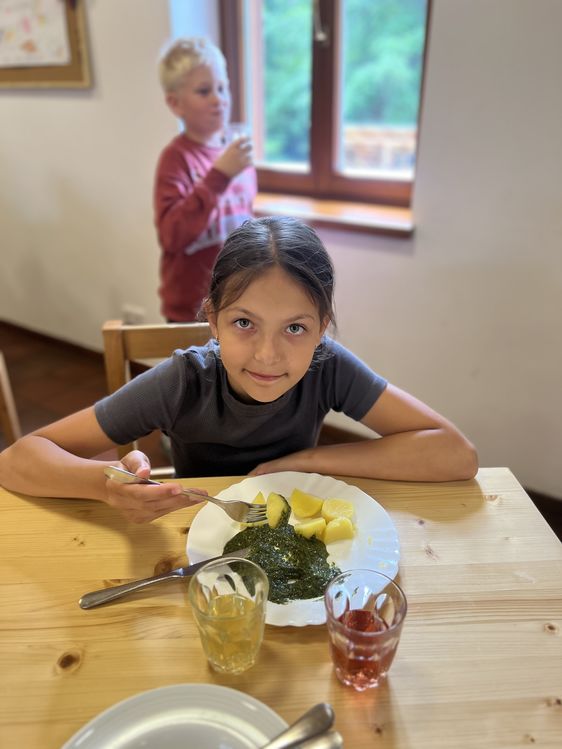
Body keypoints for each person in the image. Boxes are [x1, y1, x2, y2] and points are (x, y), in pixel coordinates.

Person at [0, 217, 478, 524]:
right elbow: (17, 460)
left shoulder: (327, 367)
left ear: (321, 330)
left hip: (289, 525)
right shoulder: (182, 382)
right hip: (196, 531)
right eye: (244, 323)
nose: (268, 355)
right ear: (212, 320)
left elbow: (456, 455)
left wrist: (308, 461)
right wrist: (106, 486)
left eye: (295, 328)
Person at [154, 37, 257, 322]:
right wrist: (219, 176)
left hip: (236, 302)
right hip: (191, 310)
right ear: (175, 103)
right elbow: (172, 236)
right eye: (204, 91)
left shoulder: (237, 155)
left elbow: (245, 220)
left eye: (222, 88)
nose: (218, 99)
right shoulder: (176, 159)